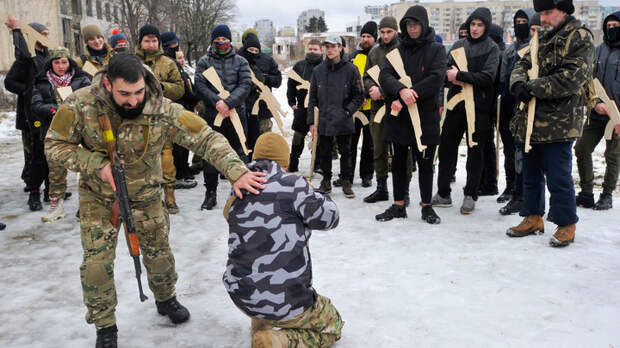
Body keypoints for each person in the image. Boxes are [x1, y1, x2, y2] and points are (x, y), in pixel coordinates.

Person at [45, 53, 266, 348]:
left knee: (159, 255)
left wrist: (236, 171)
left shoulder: (160, 108)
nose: (133, 101)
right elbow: (54, 145)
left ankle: (165, 298)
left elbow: (204, 138)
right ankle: (105, 325)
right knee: (97, 264)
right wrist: (96, 163)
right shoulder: (79, 103)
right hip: (99, 197)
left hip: (147, 194)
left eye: (138, 92)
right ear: (109, 84)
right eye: (125, 94)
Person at [223, 132, 343, 347]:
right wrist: (316, 194)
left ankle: (261, 321)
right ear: (285, 162)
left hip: (241, 294)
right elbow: (330, 218)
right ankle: (279, 340)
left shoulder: (239, 184)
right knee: (332, 324)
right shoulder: (293, 185)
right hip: (286, 298)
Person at [506, 0, 595, 247]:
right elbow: (522, 64)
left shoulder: (579, 37)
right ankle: (533, 217)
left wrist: (530, 87)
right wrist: (517, 84)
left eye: (548, 12)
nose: (542, 18)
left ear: (564, 11)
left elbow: (572, 78)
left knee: (558, 176)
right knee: (530, 173)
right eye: (541, 13)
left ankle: (566, 224)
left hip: (560, 122)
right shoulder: (541, 36)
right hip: (531, 119)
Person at [377, 5, 446, 224]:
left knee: (425, 164)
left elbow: (436, 78)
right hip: (399, 118)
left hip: (425, 117)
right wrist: (400, 90)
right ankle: (398, 205)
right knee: (398, 161)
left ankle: (427, 206)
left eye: (416, 24)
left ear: (424, 24)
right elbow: (384, 76)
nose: (412, 28)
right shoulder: (396, 52)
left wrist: (413, 92)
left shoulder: (436, 50)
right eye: (408, 24)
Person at [432, 7, 500, 215]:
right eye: (473, 24)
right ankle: (443, 192)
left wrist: (460, 75)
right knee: (446, 148)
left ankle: (471, 193)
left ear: (486, 27)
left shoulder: (492, 48)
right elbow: (445, 74)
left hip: (479, 108)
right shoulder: (458, 45)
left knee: (475, 152)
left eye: (480, 25)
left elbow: (487, 78)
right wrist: (451, 76)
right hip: (455, 106)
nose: (475, 29)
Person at [194, 24, 252, 210]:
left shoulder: (241, 62)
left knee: (240, 153)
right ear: (212, 41)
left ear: (230, 41)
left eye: (224, 40)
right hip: (212, 114)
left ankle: (244, 191)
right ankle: (210, 193)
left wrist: (229, 103)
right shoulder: (204, 62)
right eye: (217, 40)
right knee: (211, 154)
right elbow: (200, 85)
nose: (221, 43)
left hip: (236, 115)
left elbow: (245, 84)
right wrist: (217, 102)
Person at [31, 47, 90, 222]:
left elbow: (91, 101)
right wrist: (55, 110)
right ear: (51, 64)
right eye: (56, 62)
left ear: (69, 62)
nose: (60, 66)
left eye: (64, 62)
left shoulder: (81, 80)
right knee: (55, 171)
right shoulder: (41, 82)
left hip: (80, 131)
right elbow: (36, 106)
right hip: (55, 132)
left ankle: (86, 206)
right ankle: (57, 206)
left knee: (84, 169)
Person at [135, 24, 185, 214]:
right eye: (147, 40)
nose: (150, 44)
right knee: (139, 159)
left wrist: (158, 86)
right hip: (136, 119)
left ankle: (169, 195)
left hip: (161, 117)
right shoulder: (130, 61)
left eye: (154, 40)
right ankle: (142, 197)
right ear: (140, 41)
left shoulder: (168, 63)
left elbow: (180, 89)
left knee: (166, 158)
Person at [307, 35, 364, 198]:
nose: (330, 50)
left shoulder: (351, 70)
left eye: (334, 46)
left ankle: (346, 181)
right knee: (324, 152)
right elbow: (312, 98)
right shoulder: (318, 70)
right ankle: (326, 181)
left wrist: (347, 111)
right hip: (324, 119)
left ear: (341, 48)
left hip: (343, 119)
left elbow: (359, 96)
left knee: (346, 152)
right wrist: (311, 121)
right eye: (327, 46)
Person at [574, 11, 620, 210]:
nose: (612, 29)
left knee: (612, 156)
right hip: (595, 113)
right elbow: (587, 81)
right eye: (609, 25)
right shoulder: (596, 51)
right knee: (581, 148)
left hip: (617, 117)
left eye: (616, 25)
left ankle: (607, 194)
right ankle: (586, 192)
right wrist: (594, 103)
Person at [4, 16, 50, 211]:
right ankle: (33, 190)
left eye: (48, 35)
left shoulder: (50, 57)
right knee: (34, 155)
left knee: (50, 153)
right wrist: (27, 90)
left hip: (48, 112)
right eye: (43, 35)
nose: (47, 38)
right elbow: (9, 82)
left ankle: (52, 189)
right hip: (31, 115)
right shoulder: (26, 59)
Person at [498, 10, 539, 215]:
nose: (522, 26)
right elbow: (505, 78)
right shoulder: (510, 50)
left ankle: (527, 197)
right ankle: (513, 189)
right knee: (513, 151)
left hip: (535, 109)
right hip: (512, 107)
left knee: (529, 155)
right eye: (519, 22)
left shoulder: (540, 50)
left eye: (528, 24)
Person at [362, 16, 407, 204]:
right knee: (378, 148)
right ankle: (382, 187)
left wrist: (384, 90)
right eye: (382, 32)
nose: (385, 35)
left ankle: (404, 191)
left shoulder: (404, 49)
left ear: (396, 31)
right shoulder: (374, 51)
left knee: (403, 150)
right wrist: (370, 88)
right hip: (378, 107)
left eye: (389, 32)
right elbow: (366, 75)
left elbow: (407, 77)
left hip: (400, 106)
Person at [338, 21, 376, 189]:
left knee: (369, 144)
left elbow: (378, 79)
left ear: (375, 38)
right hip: (354, 108)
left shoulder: (378, 55)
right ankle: (347, 176)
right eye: (363, 36)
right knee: (349, 144)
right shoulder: (352, 56)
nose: (365, 39)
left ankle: (367, 175)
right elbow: (347, 79)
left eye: (369, 36)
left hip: (372, 108)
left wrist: (366, 95)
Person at [161, 30, 200, 190]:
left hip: (185, 107)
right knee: (177, 145)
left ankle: (184, 169)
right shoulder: (167, 63)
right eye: (172, 44)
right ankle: (179, 174)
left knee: (184, 144)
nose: (175, 46)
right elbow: (179, 89)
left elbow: (185, 85)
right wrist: (193, 97)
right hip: (176, 108)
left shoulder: (176, 63)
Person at [239, 32, 282, 149]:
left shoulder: (267, 60)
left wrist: (265, 79)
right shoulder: (237, 59)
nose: (253, 52)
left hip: (263, 108)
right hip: (244, 109)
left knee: (265, 142)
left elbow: (278, 80)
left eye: (255, 50)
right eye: (250, 49)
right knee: (245, 142)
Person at [287, 39, 323, 173]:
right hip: (301, 108)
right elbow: (290, 85)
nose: (312, 51)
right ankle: (293, 163)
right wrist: (291, 103)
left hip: (319, 109)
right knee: (298, 137)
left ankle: (318, 165)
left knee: (318, 138)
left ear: (321, 51)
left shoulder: (325, 66)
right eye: (310, 49)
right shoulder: (299, 66)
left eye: (315, 49)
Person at [478, 23, 506, 197]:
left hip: (492, 104)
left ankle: (490, 182)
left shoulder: (498, 53)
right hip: (489, 103)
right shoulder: (497, 51)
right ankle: (486, 180)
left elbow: (496, 80)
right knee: (486, 142)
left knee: (487, 144)